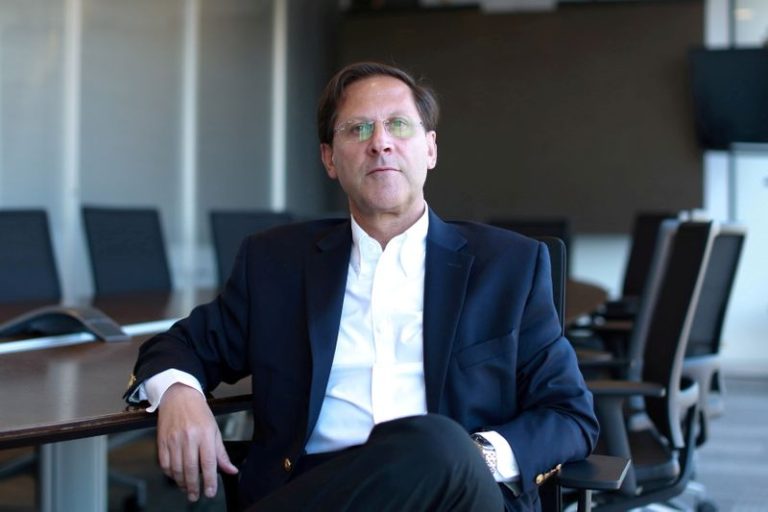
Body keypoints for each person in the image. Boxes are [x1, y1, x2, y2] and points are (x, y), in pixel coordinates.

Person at [125, 61, 599, 511]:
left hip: (457, 491)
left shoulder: (507, 267)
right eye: (358, 129)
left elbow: (569, 414)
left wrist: (477, 458)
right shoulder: (276, 264)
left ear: (430, 149)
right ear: (329, 159)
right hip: (319, 489)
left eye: (399, 125)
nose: (380, 144)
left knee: (439, 443)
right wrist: (180, 392)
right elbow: (178, 346)